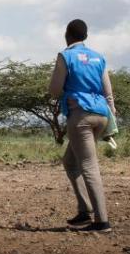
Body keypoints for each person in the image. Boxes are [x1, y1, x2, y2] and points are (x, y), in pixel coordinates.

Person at [48, 19, 116, 233]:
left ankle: (101, 221)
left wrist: (66, 89)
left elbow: (55, 90)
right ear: (85, 36)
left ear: (67, 34)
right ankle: (84, 210)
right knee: (70, 161)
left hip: (81, 117)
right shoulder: (99, 57)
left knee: (88, 165)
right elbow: (108, 92)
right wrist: (111, 114)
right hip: (101, 116)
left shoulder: (65, 56)